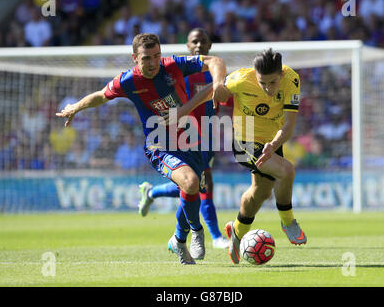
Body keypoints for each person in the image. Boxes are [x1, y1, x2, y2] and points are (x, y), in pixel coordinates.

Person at [56, 33, 227, 264]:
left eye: (157, 56)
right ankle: (198, 232)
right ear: (135, 58)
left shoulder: (172, 65)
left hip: (190, 140)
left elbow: (214, 61)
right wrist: (76, 107)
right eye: (147, 58)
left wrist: (216, 85)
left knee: (191, 188)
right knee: (190, 182)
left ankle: (178, 239)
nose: (154, 62)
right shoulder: (127, 81)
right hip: (159, 145)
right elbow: (100, 96)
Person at [214, 48, 307, 264]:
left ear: (281, 75)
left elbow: (289, 125)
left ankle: (236, 232)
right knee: (286, 171)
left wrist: (273, 144)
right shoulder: (240, 79)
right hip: (244, 141)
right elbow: (215, 89)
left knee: (261, 193)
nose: (267, 88)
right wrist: (187, 110)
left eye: (272, 83)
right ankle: (287, 220)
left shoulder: (292, 79)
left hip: (272, 141)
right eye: (262, 82)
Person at [138, 28, 229, 250]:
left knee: (193, 184)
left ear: (209, 45)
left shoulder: (215, 74)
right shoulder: (179, 73)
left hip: (207, 135)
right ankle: (215, 236)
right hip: (184, 137)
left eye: (203, 41)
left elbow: (223, 103)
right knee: (201, 184)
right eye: (194, 42)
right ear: (187, 46)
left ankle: (151, 192)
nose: (198, 45)